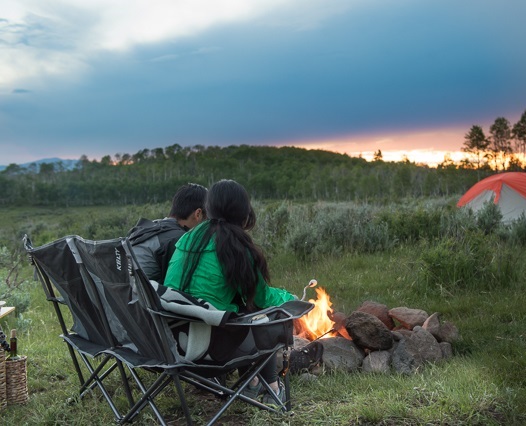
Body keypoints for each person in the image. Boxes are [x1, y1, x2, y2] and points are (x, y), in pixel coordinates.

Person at [164, 179, 296, 404]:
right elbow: (263, 298)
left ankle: (252, 384)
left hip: (170, 339)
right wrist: (291, 299)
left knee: (236, 307)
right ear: (242, 210)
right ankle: (272, 389)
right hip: (206, 348)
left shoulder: (188, 237)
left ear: (210, 207)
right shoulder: (235, 247)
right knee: (265, 316)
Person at [127, 183, 207, 284]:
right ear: (198, 214)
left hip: (118, 292)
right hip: (139, 296)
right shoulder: (179, 240)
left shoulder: (150, 226)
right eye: (207, 219)